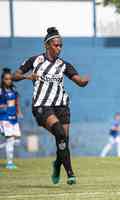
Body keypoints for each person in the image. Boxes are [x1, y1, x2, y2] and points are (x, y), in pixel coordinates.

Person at [13, 27, 89, 185]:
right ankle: (70, 174)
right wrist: (28, 76)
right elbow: (15, 75)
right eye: (56, 45)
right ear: (47, 45)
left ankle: (57, 165)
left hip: (62, 106)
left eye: (61, 45)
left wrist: (84, 81)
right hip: (42, 105)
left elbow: (78, 81)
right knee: (60, 133)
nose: (59, 48)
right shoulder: (35, 61)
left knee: (63, 141)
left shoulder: (64, 65)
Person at [0, 68, 22, 169]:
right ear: (2, 80)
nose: (8, 81)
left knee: (15, 140)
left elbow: (16, 102)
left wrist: (19, 112)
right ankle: (9, 163)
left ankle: (9, 160)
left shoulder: (14, 91)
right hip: (4, 117)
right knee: (10, 139)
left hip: (13, 118)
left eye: (10, 79)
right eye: (6, 79)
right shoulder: (1, 91)